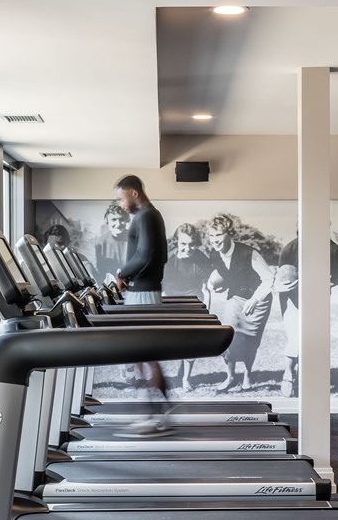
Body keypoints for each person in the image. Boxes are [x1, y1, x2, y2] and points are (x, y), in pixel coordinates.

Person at [113, 174, 169, 430]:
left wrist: (122, 273)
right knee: (142, 355)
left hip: (143, 292)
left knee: (144, 354)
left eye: (121, 197)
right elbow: (159, 257)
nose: (120, 204)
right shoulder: (151, 216)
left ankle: (155, 414)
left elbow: (145, 255)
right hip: (143, 290)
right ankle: (154, 412)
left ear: (133, 193)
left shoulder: (146, 216)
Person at [206, 214, 275, 392]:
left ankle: (247, 375)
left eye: (219, 235)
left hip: (259, 299)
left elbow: (268, 279)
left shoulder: (248, 252)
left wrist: (254, 299)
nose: (215, 240)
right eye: (212, 236)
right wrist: (220, 286)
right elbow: (230, 275)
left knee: (251, 341)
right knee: (227, 337)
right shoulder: (214, 254)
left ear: (230, 234)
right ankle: (230, 377)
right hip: (235, 298)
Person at [274, 234, 338, 397]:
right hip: (291, 296)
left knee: (312, 337)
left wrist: (321, 283)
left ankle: (306, 376)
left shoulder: (333, 249)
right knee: (295, 337)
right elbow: (282, 275)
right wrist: (283, 285)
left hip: (317, 295)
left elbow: (337, 278)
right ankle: (288, 374)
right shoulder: (290, 248)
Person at [163, 223, 211, 390]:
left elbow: (206, 289)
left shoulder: (202, 259)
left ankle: (186, 379)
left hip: (194, 301)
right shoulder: (168, 259)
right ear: (177, 242)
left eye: (191, 244)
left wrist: (206, 313)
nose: (188, 248)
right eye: (184, 244)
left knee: (191, 341)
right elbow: (161, 287)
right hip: (171, 300)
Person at [94, 203, 130, 278]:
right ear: (107, 222)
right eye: (114, 219)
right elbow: (100, 269)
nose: (118, 224)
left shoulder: (135, 238)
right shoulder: (100, 243)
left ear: (127, 220)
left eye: (122, 219)